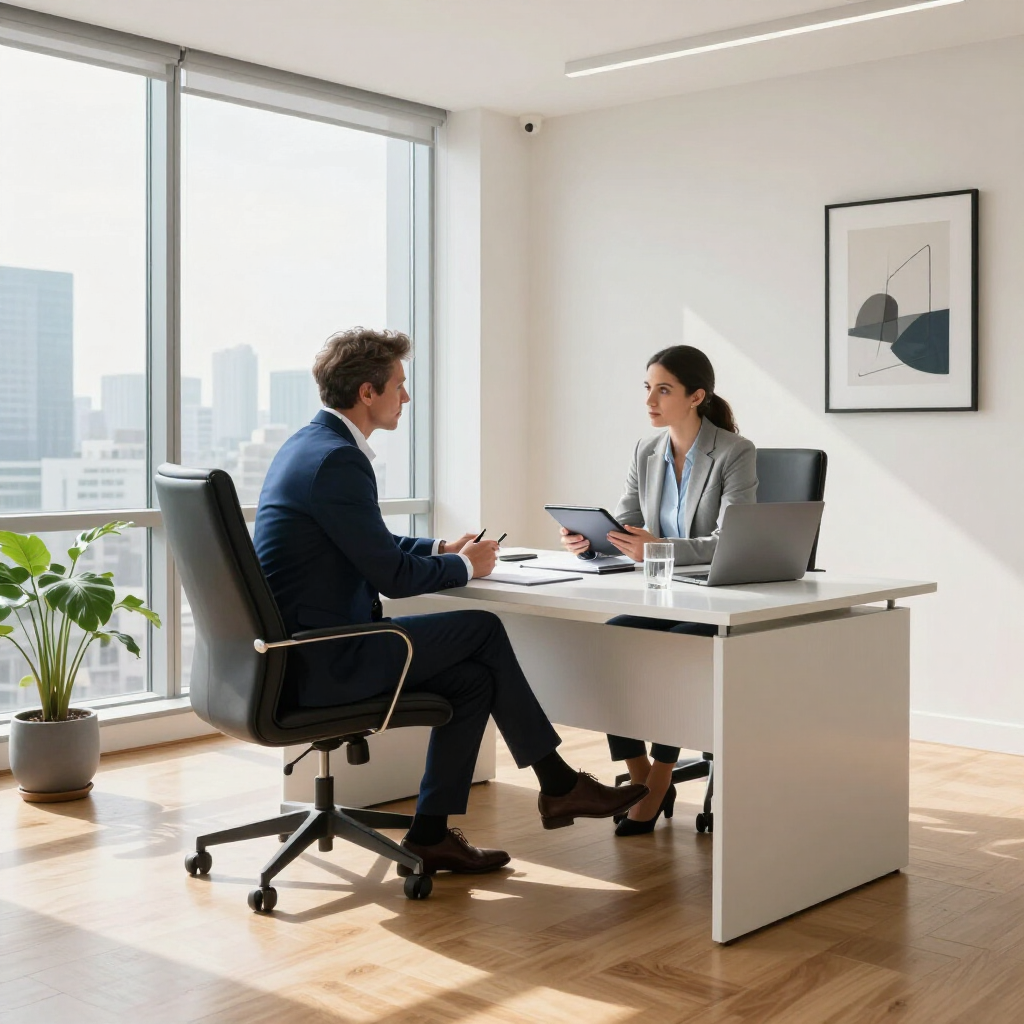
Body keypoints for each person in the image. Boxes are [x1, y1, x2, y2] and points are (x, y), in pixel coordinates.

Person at [255, 327, 647, 877]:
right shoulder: (337, 461)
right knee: (482, 629)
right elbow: (389, 574)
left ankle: (431, 835)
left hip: (298, 653)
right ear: (367, 393)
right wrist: (469, 566)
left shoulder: (309, 448)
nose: (406, 398)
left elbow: (369, 544)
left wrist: (442, 548)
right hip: (327, 658)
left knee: (473, 681)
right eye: (399, 385)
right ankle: (558, 783)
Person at [559, 345, 756, 837]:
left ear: (696, 396)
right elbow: (627, 525)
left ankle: (661, 776)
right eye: (648, 388)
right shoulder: (646, 451)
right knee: (611, 643)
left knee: (673, 650)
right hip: (661, 591)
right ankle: (640, 775)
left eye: (663, 389)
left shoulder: (734, 452)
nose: (651, 399)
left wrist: (659, 548)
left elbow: (728, 541)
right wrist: (591, 542)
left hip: (714, 597)